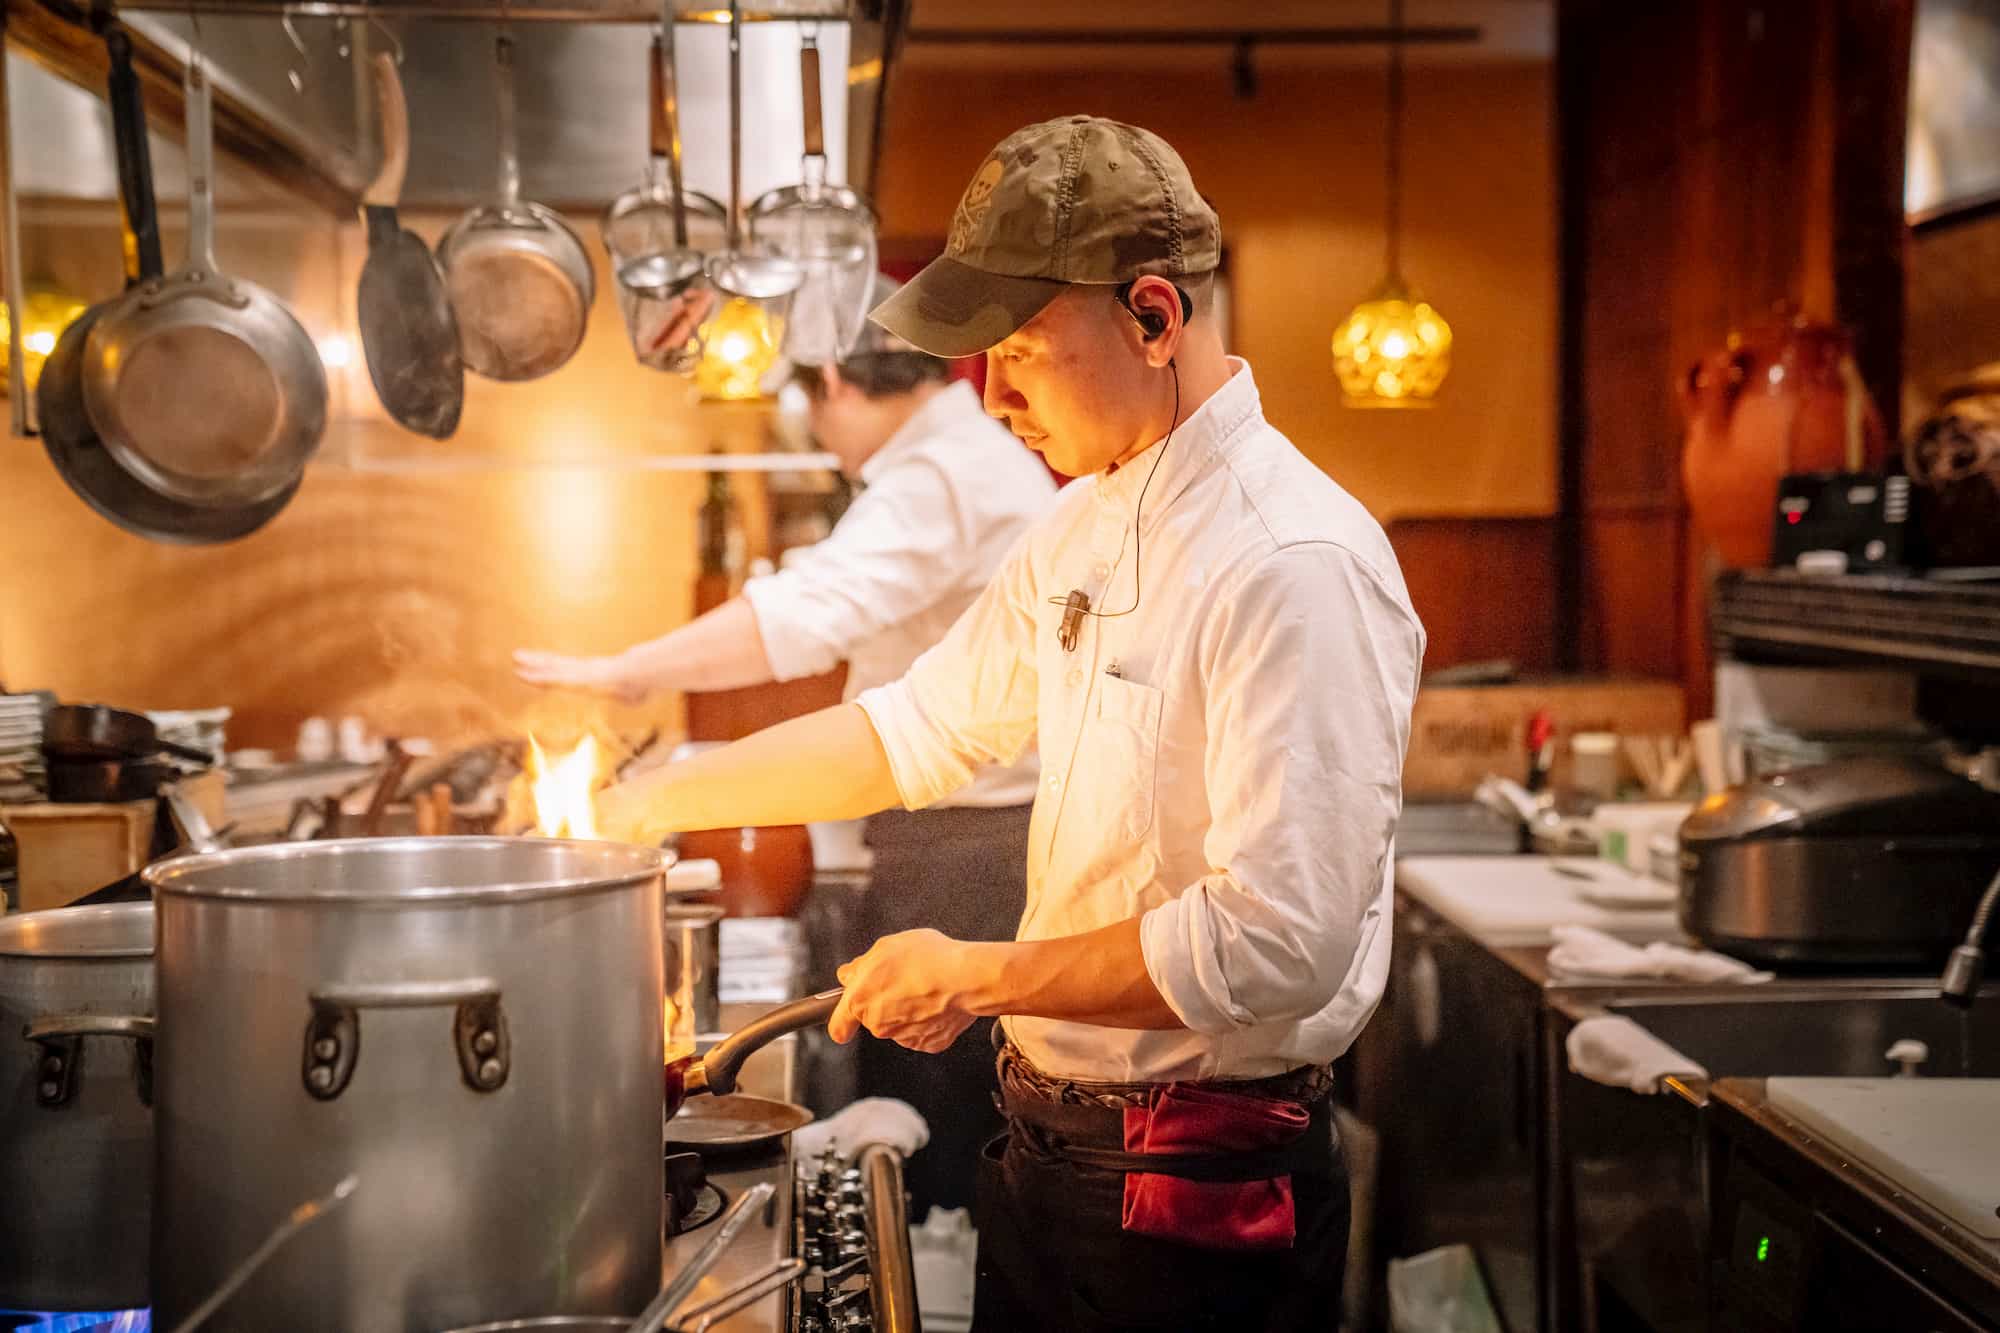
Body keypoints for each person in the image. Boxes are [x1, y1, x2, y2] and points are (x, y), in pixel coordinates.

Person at [596, 115, 1425, 1332]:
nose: (991, 399)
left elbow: (1275, 941)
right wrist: (652, 798)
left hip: (1194, 1192)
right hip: (1050, 1153)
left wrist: (981, 974)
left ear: (1152, 317)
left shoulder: (1289, 561)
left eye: (1021, 350)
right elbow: (920, 727)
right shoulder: (1082, 524)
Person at [514, 288, 1056, 1216]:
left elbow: (805, 614)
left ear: (834, 380)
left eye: (808, 402)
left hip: (972, 847)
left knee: (941, 1119)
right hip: (973, 832)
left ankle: (941, 1252)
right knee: (943, 1106)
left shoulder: (940, 475)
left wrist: (627, 672)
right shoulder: (964, 461)